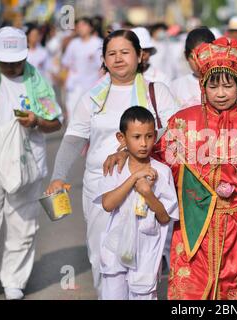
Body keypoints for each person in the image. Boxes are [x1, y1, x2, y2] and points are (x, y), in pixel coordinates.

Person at [103, 37, 237, 300]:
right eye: (213, 86)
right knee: (192, 292)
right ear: (203, 86)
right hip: (194, 225)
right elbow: (157, 157)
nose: (221, 93)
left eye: (229, 85)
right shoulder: (184, 122)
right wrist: (126, 153)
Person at [45, 29, 178, 296]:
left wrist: (129, 152)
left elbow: (176, 132)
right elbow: (73, 138)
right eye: (111, 54)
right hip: (102, 186)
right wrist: (58, 175)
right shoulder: (92, 96)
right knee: (102, 256)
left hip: (145, 184)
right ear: (104, 60)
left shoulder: (157, 92)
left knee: (142, 257)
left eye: (125, 52)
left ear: (140, 56)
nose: (118, 59)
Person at [0, 27, 63, 300]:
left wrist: (36, 121)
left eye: (16, 60)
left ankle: (14, 281)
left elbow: (55, 121)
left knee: (22, 223)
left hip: (26, 161)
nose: (10, 66)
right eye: (4, 61)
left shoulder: (37, 82)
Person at [97, 106, 178, 300]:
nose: (144, 143)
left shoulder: (162, 171)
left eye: (149, 136)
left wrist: (148, 194)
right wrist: (134, 179)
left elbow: (165, 217)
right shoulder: (116, 167)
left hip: (147, 249)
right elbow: (108, 204)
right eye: (136, 137)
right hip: (115, 249)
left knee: (143, 293)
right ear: (121, 138)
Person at [61, 17, 103, 122]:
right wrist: (64, 82)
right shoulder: (73, 43)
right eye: (78, 26)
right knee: (73, 113)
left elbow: (102, 67)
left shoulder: (98, 43)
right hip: (75, 86)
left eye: (83, 25)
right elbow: (66, 64)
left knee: (91, 116)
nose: (80, 28)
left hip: (92, 85)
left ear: (90, 27)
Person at [170, 26, 215, 110]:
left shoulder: (224, 83)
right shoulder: (176, 87)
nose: (199, 62)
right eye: (193, 57)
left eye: (204, 56)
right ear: (186, 56)